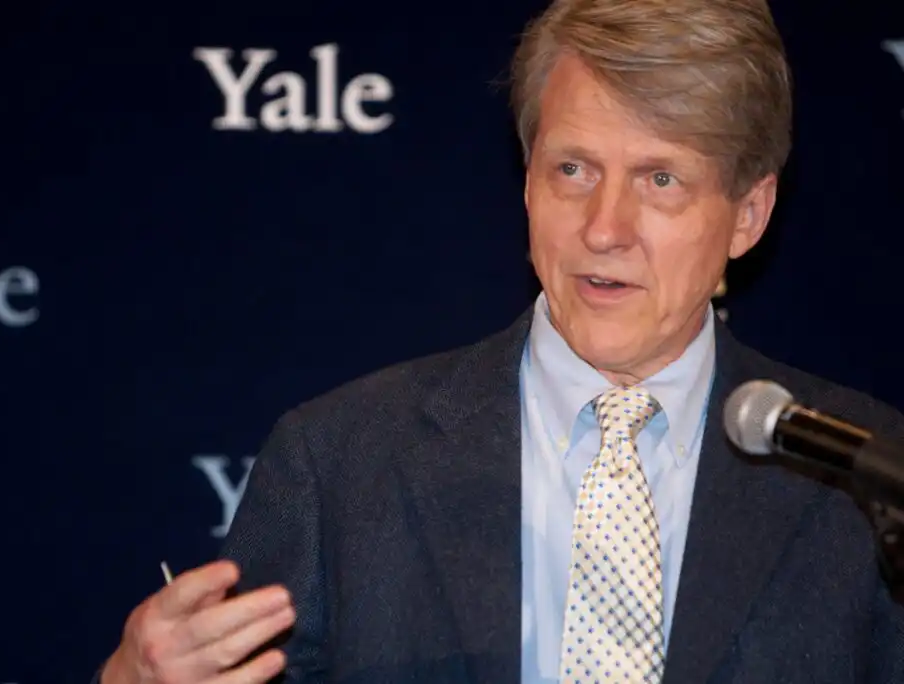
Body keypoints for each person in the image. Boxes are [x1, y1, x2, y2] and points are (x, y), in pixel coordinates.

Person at [99, 0, 904, 682]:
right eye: (573, 170)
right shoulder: (339, 462)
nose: (604, 228)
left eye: (660, 179)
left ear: (748, 214)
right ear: (527, 179)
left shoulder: (865, 474)